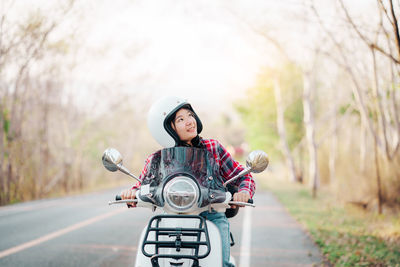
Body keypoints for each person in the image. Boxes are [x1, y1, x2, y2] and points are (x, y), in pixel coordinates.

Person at [121, 96, 255, 267]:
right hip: (170, 218)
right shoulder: (157, 159)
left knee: (221, 263)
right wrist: (132, 193)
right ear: (167, 129)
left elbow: (243, 174)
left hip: (211, 215)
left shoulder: (213, 147)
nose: (190, 121)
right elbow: (143, 185)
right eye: (181, 119)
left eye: (190, 115)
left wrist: (243, 192)